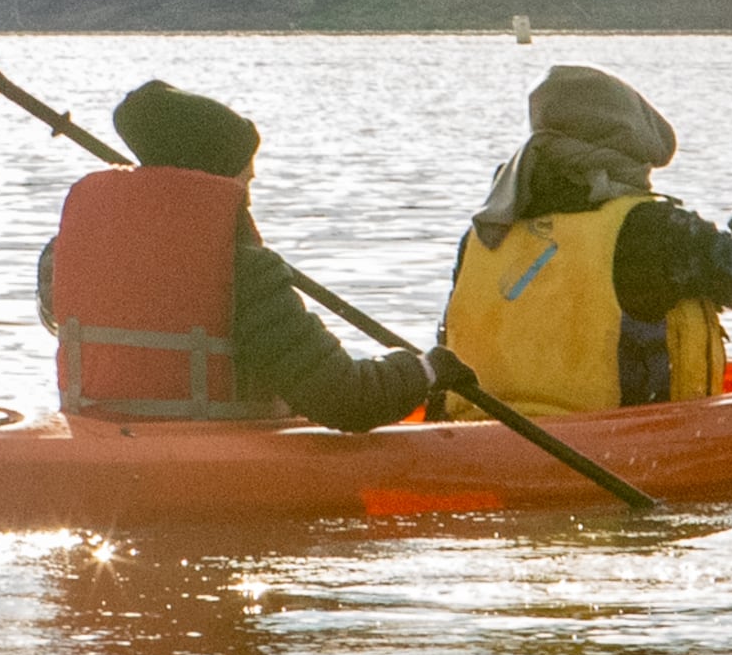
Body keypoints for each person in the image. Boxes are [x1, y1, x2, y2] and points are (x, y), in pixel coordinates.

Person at [36, 80, 438, 433]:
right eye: (245, 172)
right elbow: (345, 401)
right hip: (209, 455)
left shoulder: (64, 252)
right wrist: (427, 369)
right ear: (218, 176)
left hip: (102, 435)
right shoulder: (243, 270)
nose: (253, 180)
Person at [435, 64, 732, 419]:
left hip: (483, 443)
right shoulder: (654, 229)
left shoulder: (484, 232)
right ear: (632, 151)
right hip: (614, 453)